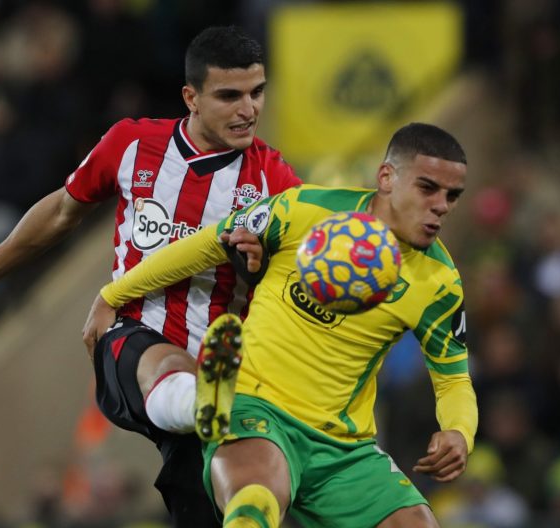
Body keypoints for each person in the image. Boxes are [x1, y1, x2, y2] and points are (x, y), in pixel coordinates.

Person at [0, 25, 301, 527]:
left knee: (221, 507)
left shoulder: (276, 181)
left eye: (257, 93)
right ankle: (201, 393)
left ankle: (206, 407)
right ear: (190, 97)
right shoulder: (133, 144)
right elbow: (61, 211)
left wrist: (259, 268)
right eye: (229, 95)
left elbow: (299, 283)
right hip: (128, 339)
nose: (248, 109)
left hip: (225, 370)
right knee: (162, 361)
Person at [84, 122, 478, 527]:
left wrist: (458, 432)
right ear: (386, 177)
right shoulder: (305, 210)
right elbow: (207, 244)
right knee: (255, 500)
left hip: (344, 447)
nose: (442, 206)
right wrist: (114, 294)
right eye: (428, 188)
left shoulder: (439, 282)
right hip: (255, 409)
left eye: (453, 196)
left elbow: (453, 379)